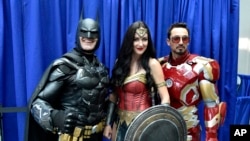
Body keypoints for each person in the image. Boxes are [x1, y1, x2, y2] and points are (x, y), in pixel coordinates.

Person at [25, 18, 109, 141]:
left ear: (99, 37)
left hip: (96, 136)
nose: (88, 36)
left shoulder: (101, 69)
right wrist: (56, 117)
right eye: (84, 32)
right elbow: (37, 103)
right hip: (71, 137)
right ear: (77, 34)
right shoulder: (65, 67)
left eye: (93, 33)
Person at [103, 21, 170, 141]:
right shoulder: (120, 62)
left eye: (144, 39)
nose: (141, 44)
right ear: (129, 41)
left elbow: (165, 98)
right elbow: (113, 97)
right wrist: (108, 123)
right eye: (136, 39)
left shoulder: (153, 64)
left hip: (143, 124)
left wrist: (158, 124)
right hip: (119, 124)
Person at [158, 22, 227, 141]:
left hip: (189, 132)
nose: (181, 42)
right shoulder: (159, 65)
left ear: (188, 41)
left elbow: (211, 104)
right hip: (161, 130)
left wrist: (211, 136)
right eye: (176, 39)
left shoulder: (202, 67)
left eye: (185, 39)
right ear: (168, 42)